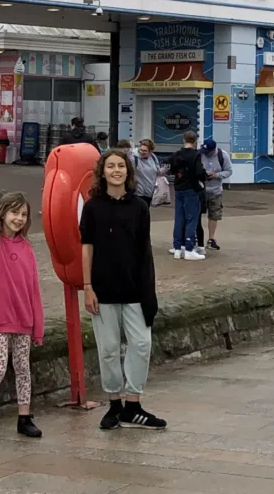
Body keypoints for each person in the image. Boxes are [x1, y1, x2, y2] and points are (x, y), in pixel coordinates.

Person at [80, 149, 166, 430]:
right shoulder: (93, 207)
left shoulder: (139, 207)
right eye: (111, 166)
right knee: (108, 348)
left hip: (134, 288)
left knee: (141, 344)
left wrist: (147, 288)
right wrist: (87, 287)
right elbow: (87, 247)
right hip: (103, 289)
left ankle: (133, 403)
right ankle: (114, 404)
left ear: (128, 172)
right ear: (102, 171)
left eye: (121, 166)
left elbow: (145, 250)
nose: (116, 170)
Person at [0, 191, 45, 443]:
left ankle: (24, 416)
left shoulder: (26, 247)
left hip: (23, 318)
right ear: (2, 213)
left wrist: (37, 323)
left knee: (23, 367)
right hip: (1, 319)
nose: (19, 218)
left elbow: (33, 287)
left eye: (24, 214)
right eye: (15, 212)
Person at [168, 131, 206, 260]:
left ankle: (178, 248)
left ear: (183, 139)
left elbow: (171, 169)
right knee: (192, 219)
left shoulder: (176, 154)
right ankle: (189, 247)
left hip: (178, 189)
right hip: (191, 189)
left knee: (179, 218)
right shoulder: (196, 155)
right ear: (195, 141)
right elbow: (199, 172)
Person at [196, 139, 232, 252]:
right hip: (200, 189)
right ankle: (196, 237)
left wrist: (217, 175)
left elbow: (229, 171)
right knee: (196, 214)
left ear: (213, 150)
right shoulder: (199, 154)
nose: (205, 153)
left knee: (214, 215)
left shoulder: (223, 155)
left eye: (207, 151)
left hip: (216, 190)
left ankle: (211, 239)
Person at [134, 140, 162, 207]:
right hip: (138, 193)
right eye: (141, 150)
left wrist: (163, 171)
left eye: (145, 151)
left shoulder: (153, 157)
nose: (142, 152)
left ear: (150, 151)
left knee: (145, 213)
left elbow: (157, 170)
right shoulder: (134, 158)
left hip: (149, 192)